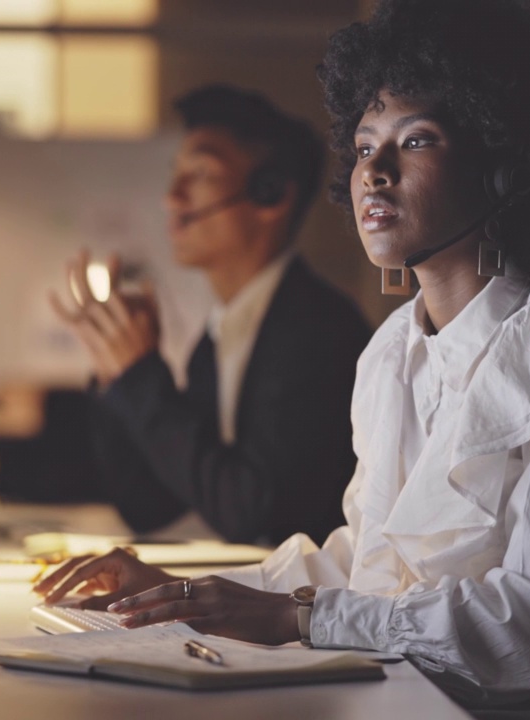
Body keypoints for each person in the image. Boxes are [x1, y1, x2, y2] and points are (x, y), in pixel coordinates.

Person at [36, 1, 530, 716]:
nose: (375, 172)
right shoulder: (391, 353)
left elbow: (525, 634)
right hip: (429, 694)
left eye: (418, 140)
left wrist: (301, 619)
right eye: (366, 146)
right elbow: (364, 562)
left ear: (504, 168)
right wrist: (181, 590)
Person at [50, 84, 372, 546]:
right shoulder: (221, 334)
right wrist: (116, 377)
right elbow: (147, 506)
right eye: (173, 175)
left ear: (270, 194)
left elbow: (252, 511)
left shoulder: (315, 330)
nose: (172, 199)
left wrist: (140, 378)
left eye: (199, 173)